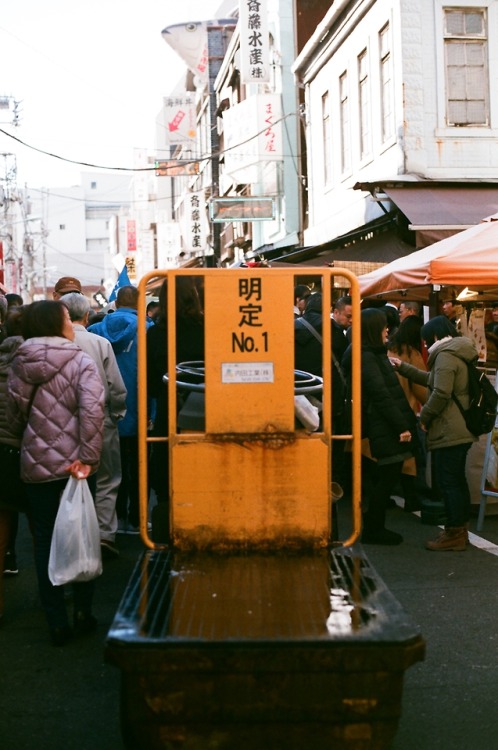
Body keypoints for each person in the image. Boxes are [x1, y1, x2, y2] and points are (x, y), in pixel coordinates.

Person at [7, 300, 105, 645]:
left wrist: (31, 437)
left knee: (45, 540)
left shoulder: (21, 362)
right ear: (56, 323)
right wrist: (89, 458)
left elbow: (15, 415)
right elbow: (93, 413)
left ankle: (56, 622)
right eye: (65, 317)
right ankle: (82, 611)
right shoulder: (81, 360)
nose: (70, 322)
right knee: (80, 535)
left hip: (37, 464)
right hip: (76, 466)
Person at [392, 315, 478, 551]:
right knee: (454, 481)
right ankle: (458, 531)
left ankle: (455, 533)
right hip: (457, 428)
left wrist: (425, 418)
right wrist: (406, 368)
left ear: (436, 336)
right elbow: (435, 380)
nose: (426, 345)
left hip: (450, 429)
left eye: (427, 340)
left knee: (449, 482)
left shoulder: (446, 355)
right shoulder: (455, 352)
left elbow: (440, 391)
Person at [342, 307, 417, 545]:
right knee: (388, 474)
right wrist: (401, 426)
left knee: (386, 474)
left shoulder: (371, 353)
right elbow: (381, 394)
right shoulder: (366, 356)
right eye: (384, 326)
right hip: (382, 423)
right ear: (374, 329)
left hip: (382, 422)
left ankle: (374, 525)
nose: (388, 330)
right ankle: (373, 527)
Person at [61, 293, 127, 559]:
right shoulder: (100, 343)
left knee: (70, 478)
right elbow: (116, 387)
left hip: (63, 423)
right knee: (108, 477)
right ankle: (103, 535)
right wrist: (116, 414)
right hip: (101, 419)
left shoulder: (54, 344)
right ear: (86, 315)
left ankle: (73, 536)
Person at [88, 285, 152, 533]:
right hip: (140, 409)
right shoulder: (147, 329)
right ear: (138, 302)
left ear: (116, 302)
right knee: (138, 467)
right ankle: (138, 519)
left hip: (103, 411)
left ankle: (112, 520)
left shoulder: (95, 330)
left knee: (108, 472)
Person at [147, 276, 205, 541]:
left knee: (165, 470)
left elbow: (148, 381)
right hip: (206, 410)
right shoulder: (208, 327)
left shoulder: (157, 332)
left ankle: (170, 529)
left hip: (169, 410)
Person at [0, 308, 29, 619]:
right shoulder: (33, 366)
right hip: (32, 454)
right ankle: (54, 604)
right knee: (44, 528)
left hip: (1, 452)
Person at [388, 315, 429, 511]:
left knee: (390, 455)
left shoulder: (388, 349)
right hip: (406, 410)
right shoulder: (412, 353)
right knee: (409, 457)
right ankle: (411, 498)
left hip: (387, 409)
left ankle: (387, 496)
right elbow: (422, 388)